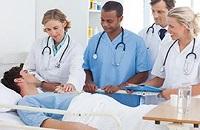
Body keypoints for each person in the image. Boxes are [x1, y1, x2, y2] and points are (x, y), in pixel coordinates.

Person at [1, 65, 157, 130]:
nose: (32, 73)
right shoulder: (24, 102)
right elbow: (46, 123)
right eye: (26, 73)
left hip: (94, 103)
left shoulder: (44, 94)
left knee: (141, 114)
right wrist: (79, 127)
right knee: (140, 119)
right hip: (85, 112)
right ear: (18, 80)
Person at [83, 1, 150, 93]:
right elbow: (86, 68)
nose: (104, 24)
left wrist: (120, 87)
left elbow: (143, 73)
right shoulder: (94, 41)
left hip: (125, 98)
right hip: (98, 96)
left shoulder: (136, 42)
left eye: (109, 21)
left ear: (120, 18)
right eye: (102, 20)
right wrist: (89, 81)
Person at [144, 7, 200, 100]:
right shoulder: (166, 46)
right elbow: (160, 79)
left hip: (191, 106)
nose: (168, 30)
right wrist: (139, 87)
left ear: (185, 26)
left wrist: (174, 92)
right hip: (166, 104)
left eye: (172, 26)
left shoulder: (198, 48)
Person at [24, 9, 85, 92]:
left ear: (64, 24)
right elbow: (28, 70)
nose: (53, 33)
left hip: (63, 91)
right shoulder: (38, 44)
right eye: (48, 29)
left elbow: (77, 71)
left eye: (56, 28)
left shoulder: (75, 47)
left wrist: (71, 84)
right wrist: (43, 83)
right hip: (39, 90)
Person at [139, 0, 175, 80]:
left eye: (160, 12)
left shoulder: (178, 35)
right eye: (153, 11)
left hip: (170, 87)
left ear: (171, 10)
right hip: (147, 86)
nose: (155, 16)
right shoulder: (143, 34)